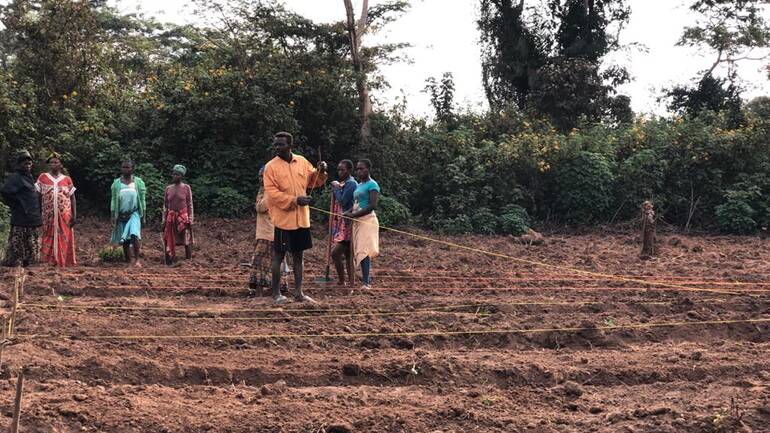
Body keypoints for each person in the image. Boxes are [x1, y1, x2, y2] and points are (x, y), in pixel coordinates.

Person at [263, 132, 327, 304]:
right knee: (279, 256)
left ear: (290, 145)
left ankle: (299, 292)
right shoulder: (270, 167)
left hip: (301, 219)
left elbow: (314, 181)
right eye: (275, 144)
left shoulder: (302, 161)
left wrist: (321, 171)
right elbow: (272, 194)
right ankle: (276, 294)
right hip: (284, 219)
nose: (277, 148)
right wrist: (294, 200)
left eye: (281, 144)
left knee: (299, 256)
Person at [1, 150, 42, 267]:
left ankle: (28, 263)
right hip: (21, 217)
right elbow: (5, 191)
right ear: (19, 164)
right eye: (25, 163)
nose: (28, 165)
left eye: (30, 163)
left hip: (31, 217)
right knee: (18, 245)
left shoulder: (28, 177)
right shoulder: (16, 177)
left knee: (31, 245)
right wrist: (17, 204)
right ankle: (16, 265)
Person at [344, 159, 380, 291]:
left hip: (367, 220)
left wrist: (353, 215)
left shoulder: (373, 185)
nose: (359, 171)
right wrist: (348, 212)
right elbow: (356, 204)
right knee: (358, 250)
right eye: (358, 169)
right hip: (358, 221)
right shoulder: (359, 185)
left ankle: (366, 282)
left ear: (368, 169)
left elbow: (372, 205)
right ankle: (363, 279)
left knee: (364, 251)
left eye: (362, 169)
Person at [36, 152, 77, 267]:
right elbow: (38, 196)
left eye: (56, 162)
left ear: (61, 164)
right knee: (47, 235)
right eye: (51, 162)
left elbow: (72, 197)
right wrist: (38, 213)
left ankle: (64, 260)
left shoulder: (67, 179)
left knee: (64, 235)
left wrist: (74, 215)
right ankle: (47, 260)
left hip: (64, 215)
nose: (53, 164)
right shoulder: (43, 177)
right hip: (47, 214)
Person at [110, 159, 146, 267]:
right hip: (121, 215)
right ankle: (128, 260)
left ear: (132, 169)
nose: (125, 169)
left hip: (134, 213)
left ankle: (137, 260)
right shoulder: (116, 183)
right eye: (124, 167)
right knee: (125, 239)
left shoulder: (138, 182)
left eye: (128, 167)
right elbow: (114, 200)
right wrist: (113, 215)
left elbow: (142, 199)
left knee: (134, 235)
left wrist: (143, 215)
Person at [330, 160, 357, 285]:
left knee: (336, 254)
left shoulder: (351, 184)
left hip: (347, 224)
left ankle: (343, 281)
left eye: (343, 170)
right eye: (338, 170)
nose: (340, 172)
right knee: (347, 255)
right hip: (342, 223)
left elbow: (343, 201)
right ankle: (349, 281)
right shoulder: (345, 183)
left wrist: (336, 189)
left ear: (349, 170)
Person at [162, 164, 194, 265]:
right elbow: (165, 205)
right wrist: (164, 219)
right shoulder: (168, 188)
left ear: (181, 176)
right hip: (171, 216)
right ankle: (169, 259)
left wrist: (190, 218)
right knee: (168, 237)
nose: (175, 176)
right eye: (174, 174)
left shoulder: (186, 188)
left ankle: (188, 260)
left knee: (186, 238)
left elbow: (189, 204)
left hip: (183, 216)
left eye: (177, 174)